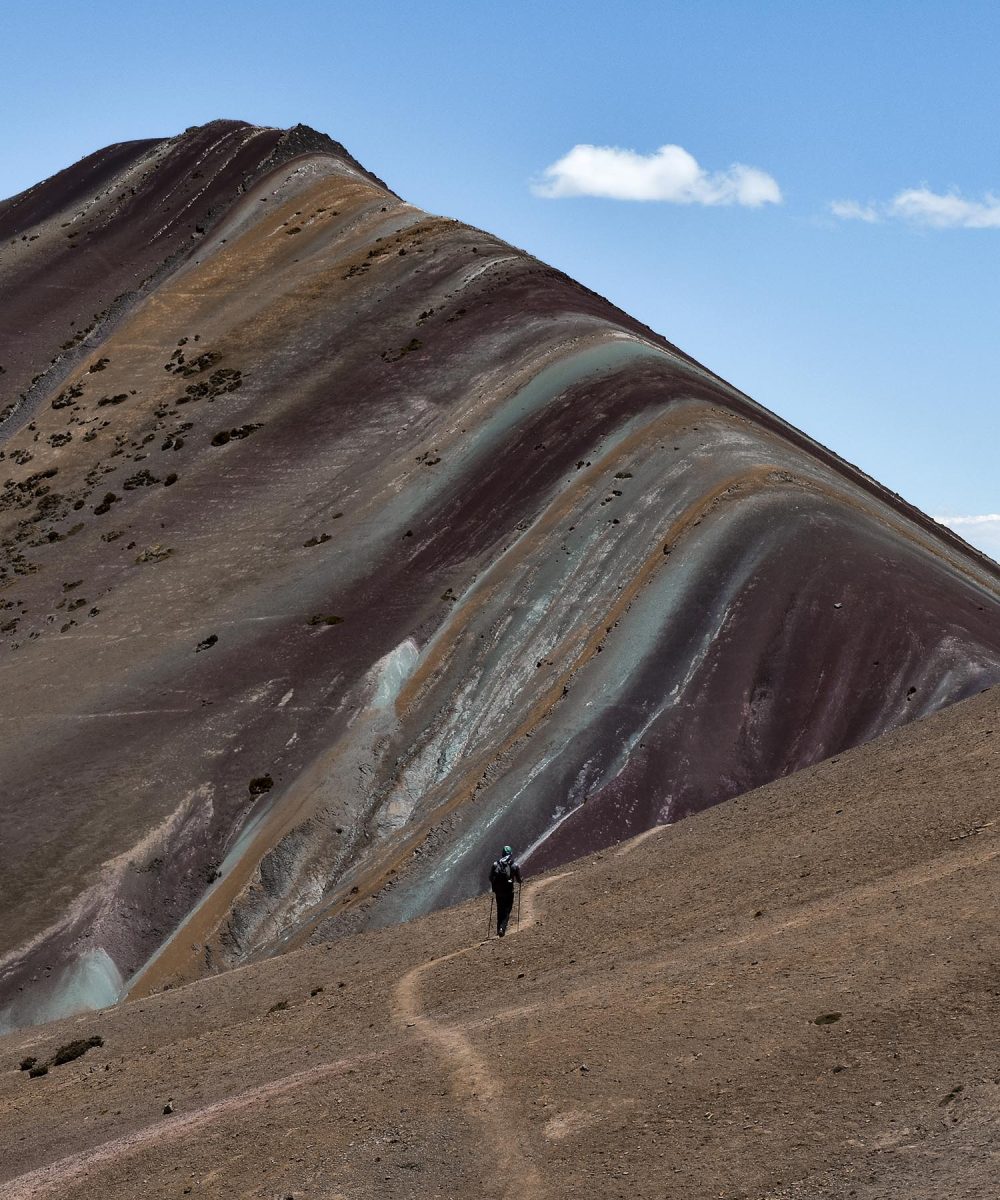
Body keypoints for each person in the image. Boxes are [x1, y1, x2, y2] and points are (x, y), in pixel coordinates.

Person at [489, 844, 522, 937]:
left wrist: (494, 887)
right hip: (508, 891)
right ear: (510, 854)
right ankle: (502, 929)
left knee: (500, 909)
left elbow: (490, 877)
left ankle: (499, 929)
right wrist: (519, 881)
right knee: (507, 910)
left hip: (498, 891)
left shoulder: (495, 864)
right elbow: (519, 879)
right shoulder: (514, 865)